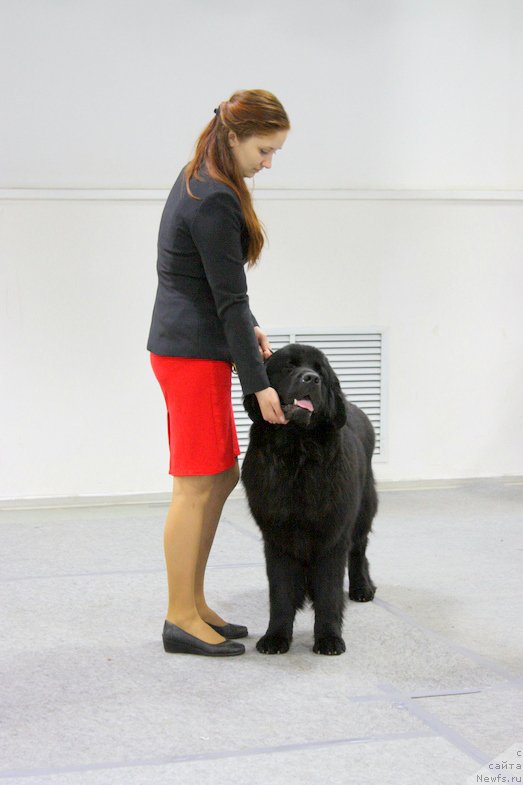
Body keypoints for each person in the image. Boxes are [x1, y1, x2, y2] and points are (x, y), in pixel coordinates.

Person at [147, 89, 290, 656]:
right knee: (195, 484)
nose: (268, 162)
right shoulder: (212, 198)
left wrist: (249, 329)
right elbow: (228, 301)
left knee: (222, 476)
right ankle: (180, 615)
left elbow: (224, 290)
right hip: (191, 355)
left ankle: (194, 602)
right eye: (264, 149)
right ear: (234, 135)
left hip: (197, 347)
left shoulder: (203, 176)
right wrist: (260, 383)